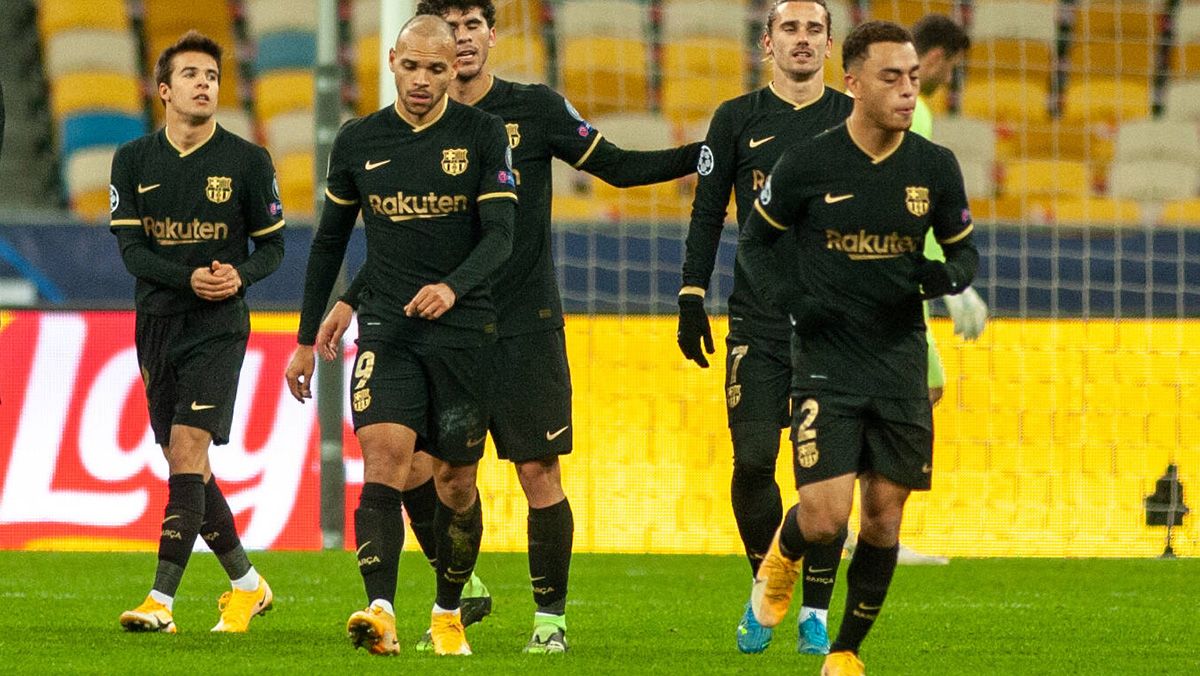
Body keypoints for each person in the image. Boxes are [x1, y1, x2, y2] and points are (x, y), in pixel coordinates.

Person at [314, 0, 701, 654]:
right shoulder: (408, 131)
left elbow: (619, 167)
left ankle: (550, 623)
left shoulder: (535, 110)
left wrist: (705, 154)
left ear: (490, 36)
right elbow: (400, 238)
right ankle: (457, 586)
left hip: (524, 325)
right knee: (410, 466)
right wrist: (353, 296)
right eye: (449, 29)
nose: (461, 41)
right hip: (437, 330)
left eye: (471, 27)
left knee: (536, 471)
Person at [738, 21, 978, 676]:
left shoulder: (936, 167)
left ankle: (845, 653)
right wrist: (793, 301)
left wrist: (951, 281)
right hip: (825, 360)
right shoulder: (810, 163)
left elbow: (965, 254)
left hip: (900, 361)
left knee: (883, 519)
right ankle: (779, 564)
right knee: (824, 518)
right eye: (891, 77)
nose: (908, 89)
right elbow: (757, 243)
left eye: (912, 76)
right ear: (853, 83)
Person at [285, 15, 516, 657]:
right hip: (388, 330)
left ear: (454, 70)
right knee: (383, 459)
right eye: (411, 66)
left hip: (465, 333)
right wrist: (308, 335)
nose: (421, 80)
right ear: (391, 59)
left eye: (436, 69)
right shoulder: (359, 140)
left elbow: (501, 236)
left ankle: (447, 611)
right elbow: (331, 241)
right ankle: (380, 609)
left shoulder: (482, 134)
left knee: (455, 485)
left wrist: (452, 288)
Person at [677, 0, 852, 656]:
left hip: (836, 324)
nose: (802, 41)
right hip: (757, 317)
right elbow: (704, 212)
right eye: (790, 29)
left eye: (814, 30)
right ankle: (768, 583)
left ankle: (814, 610)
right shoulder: (736, 119)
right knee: (753, 461)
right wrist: (691, 294)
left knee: (826, 475)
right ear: (767, 45)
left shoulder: (853, 120)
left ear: (830, 46)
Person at [111, 31, 284, 634]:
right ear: (163, 90)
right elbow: (132, 250)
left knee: (187, 449)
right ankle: (247, 584)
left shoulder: (248, 161)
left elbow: (274, 247)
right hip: (158, 324)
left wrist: (237, 275)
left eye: (211, 74)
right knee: (185, 463)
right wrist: (190, 278)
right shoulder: (133, 160)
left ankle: (162, 600)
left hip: (219, 326)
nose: (204, 83)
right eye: (190, 74)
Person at [910, 13, 986, 407]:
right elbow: (914, 202)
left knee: (926, 388)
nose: (951, 79)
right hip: (901, 278)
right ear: (937, 58)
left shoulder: (883, 105)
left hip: (886, 272)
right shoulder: (915, 111)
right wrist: (951, 281)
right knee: (920, 390)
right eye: (953, 67)